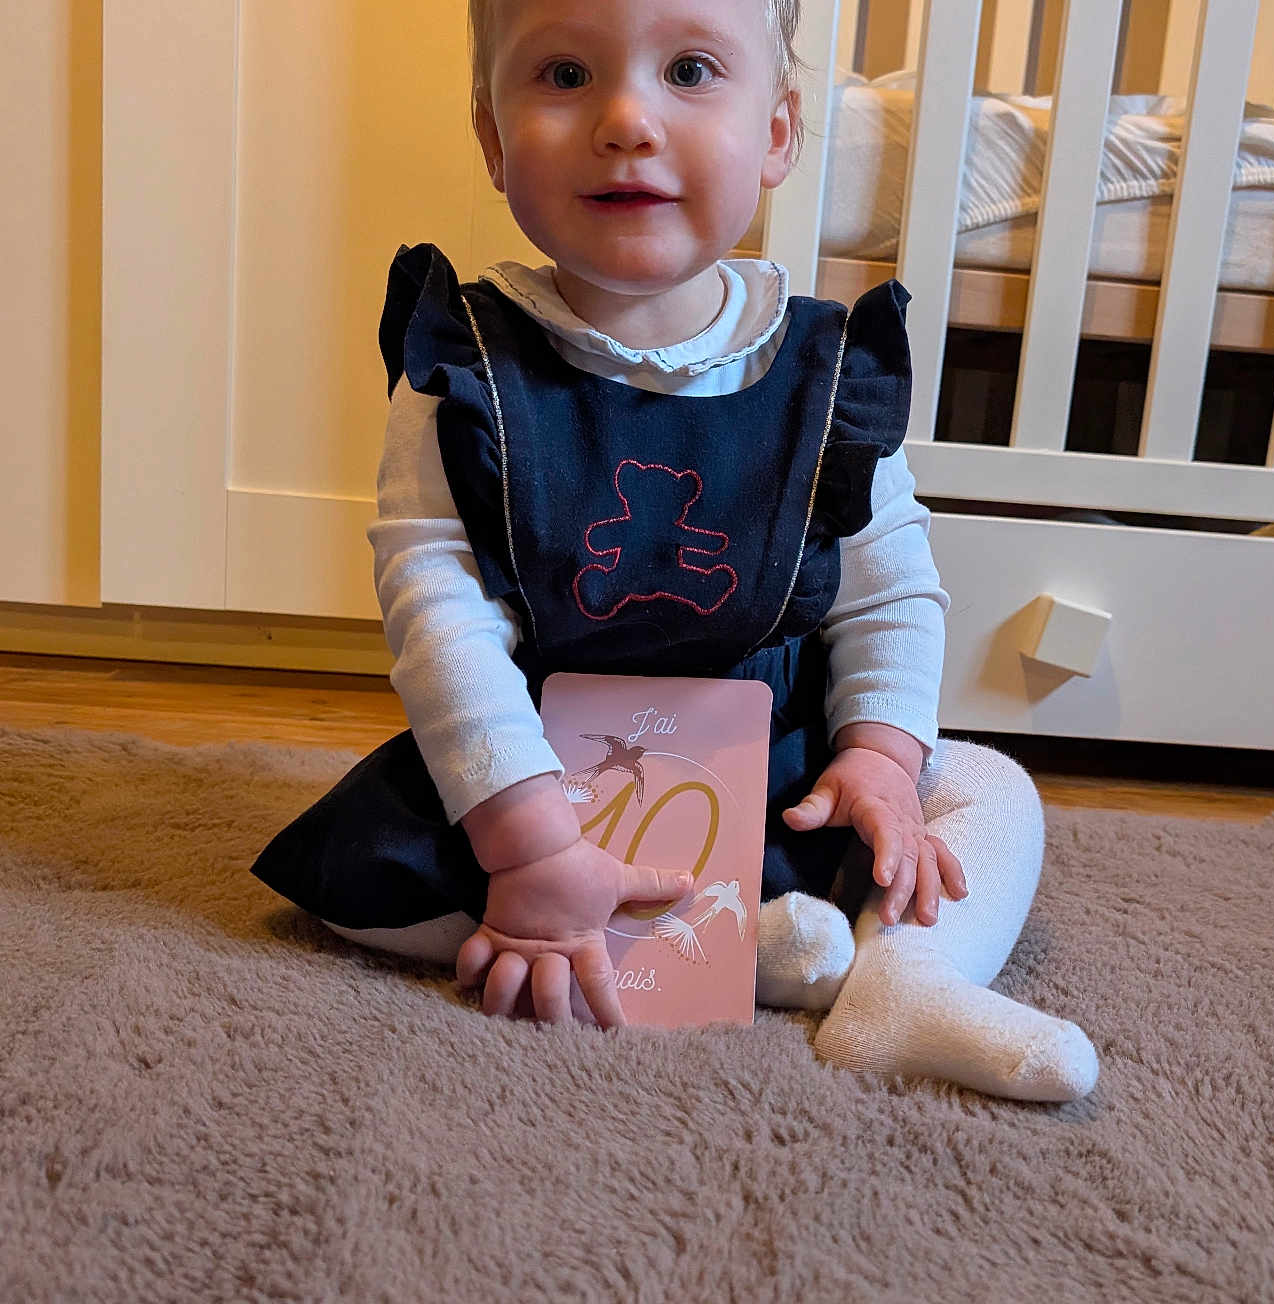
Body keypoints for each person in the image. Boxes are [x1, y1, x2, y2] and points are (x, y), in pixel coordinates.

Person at [252, 0, 1099, 1102]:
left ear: (779, 132)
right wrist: (527, 842)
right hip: (547, 781)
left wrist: (881, 759)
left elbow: (889, 591)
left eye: (690, 69)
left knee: (986, 790)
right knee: (351, 880)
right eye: (563, 73)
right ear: (493, 139)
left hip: (783, 776)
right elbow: (439, 615)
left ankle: (907, 975)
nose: (624, 119)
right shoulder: (464, 373)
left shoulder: (826, 378)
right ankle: (706, 940)